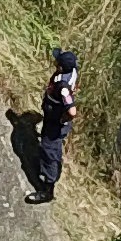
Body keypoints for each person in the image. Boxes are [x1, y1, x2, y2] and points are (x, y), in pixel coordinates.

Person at [25, 49, 78, 204]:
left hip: (56, 123)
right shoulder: (73, 69)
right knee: (49, 146)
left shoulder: (63, 86)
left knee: (49, 150)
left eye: (58, 61)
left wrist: (63, 119)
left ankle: (47, 189)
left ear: (61, 67)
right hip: (52, 118)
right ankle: (51, 166)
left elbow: (72, 111)